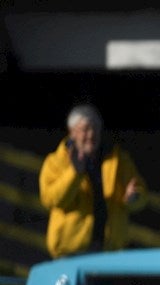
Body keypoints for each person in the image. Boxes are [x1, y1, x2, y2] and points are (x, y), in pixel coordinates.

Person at [39, 104, 146, 259]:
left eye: (95, 128)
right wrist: (75, 174)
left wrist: (134, 197)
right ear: (72, 132)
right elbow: (51, 199)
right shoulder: (55, 162)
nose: (91, 134)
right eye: (85, 129)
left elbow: (141, 195)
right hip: (71, 252)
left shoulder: (118, 160)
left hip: (109, 251)